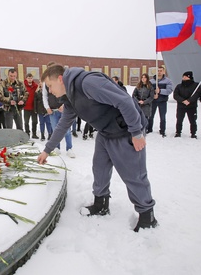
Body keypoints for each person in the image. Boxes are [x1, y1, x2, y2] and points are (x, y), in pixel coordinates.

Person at [37, 64, 158, 232]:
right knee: (99, 168)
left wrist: (136, 133)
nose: (49, 91)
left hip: (125, 131)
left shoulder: (88, 83)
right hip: (105, 132)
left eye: (49, 86)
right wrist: (47, 150)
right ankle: (101, 204)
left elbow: (124, 101)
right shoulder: (70, 97)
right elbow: (63, 124)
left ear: (60, 79)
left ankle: (147, 216)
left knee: (133, 175)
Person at [42, 81, 75, 158]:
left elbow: (68, 94)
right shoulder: (45, 84)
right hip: (52, 110)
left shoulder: (61, 81)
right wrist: (47, 107)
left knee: (67, 130)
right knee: (55, 129)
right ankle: (57, 147)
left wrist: (64, 105)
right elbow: (44, 96)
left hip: (64, 109)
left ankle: (69, 148)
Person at [173, 71, 201, 138]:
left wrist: (189, 101)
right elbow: (175, 95)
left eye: (185, 76)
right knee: (179, 119)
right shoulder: (179, 86)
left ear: (189, 77)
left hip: (191, 106)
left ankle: (193, 133)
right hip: (181, 106)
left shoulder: (196, 86)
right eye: (183, 76)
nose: (184, 78)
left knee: (192, 120)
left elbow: (197, 95)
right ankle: (178, 132)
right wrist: (183, 100)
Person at [147, 66, 173, 137]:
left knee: (162, 117)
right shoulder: (151, 81)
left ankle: (162, 131)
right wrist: (153, 95)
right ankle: (149, 129)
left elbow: (169, 91)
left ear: (164, 71)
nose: (159, 72)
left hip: (162, 101)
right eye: (158, 70)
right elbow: (148, 90)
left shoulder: (168, 81)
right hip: (153, 101)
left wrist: (160, 91)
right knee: (151, 116)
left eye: (161, 71)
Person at [23, 73, 39, 138]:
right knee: (26, 122)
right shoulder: (23, 86)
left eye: (31, 78)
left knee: (35, 121)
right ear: (26, 78)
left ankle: (34, 133)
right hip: (26, 107)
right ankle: (27, 133)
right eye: (28, 78)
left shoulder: (35, 86)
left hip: (34, 107)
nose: (30, 79)